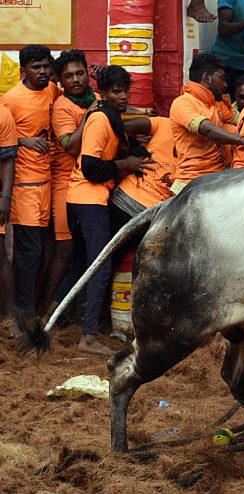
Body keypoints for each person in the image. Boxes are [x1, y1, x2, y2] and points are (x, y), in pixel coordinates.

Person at [54, 65, 152, 355]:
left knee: (82, 263)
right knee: (101, 264)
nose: (123, 97)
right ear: (104, 93)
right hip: (88, 198)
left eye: (125, 91)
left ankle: (50, 316)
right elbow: (91, 167)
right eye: (116, 91)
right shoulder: (99, 119)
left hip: (85, 199)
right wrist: (126, 165)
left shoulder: (112, 117)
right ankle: (89, 336)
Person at [0, 44, 62, 318]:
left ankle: (31, 307)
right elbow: (4, 140)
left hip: (47, 181)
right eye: (36, 67)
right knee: (29, 251)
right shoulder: (11, 100)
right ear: (23, 71)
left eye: (46, 66)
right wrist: (24, 140)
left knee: (43, 249)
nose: (43, 71)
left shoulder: (51, 90)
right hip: (23, 186)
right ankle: (21, 312)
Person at [42, 50, 98, 322]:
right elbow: (71, 146)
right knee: (64, 248)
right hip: (65, 184)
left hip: (90, 184)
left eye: (80, 73)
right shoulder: (63, 106)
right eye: (69, 76)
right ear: (61, 81)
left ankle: (62, 310)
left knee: (81, 251)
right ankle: (45, 312)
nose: (76, 80)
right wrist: (90, 115)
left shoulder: (95, 99)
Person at [169, 53, 244, 194]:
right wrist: (243, 140)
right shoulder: (182, 103)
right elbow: (207, 129)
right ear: (207, 78)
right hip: (191, 184)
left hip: (217, 179)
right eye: (222, 78)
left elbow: (243, 119)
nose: (225, 85)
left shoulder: (216, 103)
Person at [112, 116, 176, 228]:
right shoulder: (166, 124)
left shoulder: (206, 150)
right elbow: (125, 127)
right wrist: (135, 153)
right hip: (127, 201)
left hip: (155, 215)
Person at [0, 104, 17, 331]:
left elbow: (8, 160)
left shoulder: (2, 114)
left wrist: (5, 196)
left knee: (0, 254)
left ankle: (12, 320)